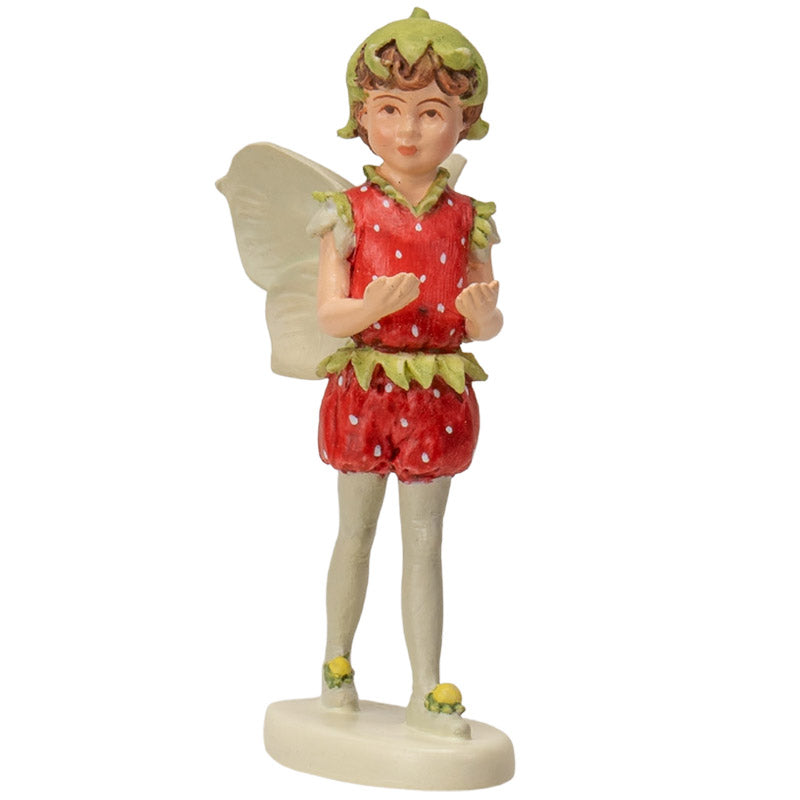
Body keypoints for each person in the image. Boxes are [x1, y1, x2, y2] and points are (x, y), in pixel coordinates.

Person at [308, 8, 502, 739]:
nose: (409, 131)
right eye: (390, 109)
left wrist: (483, 317)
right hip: (366, 387)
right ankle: (337, 663)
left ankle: (425, 684)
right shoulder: (345, 213)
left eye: (432, 112)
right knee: (355, 531)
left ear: (465, 121)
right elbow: (329, 313)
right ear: (361, 116)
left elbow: (487, 315)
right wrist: (367, 309)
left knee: (425, 541)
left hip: (437, 393)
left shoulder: (470, 217)